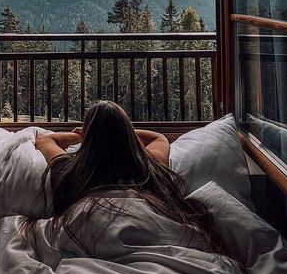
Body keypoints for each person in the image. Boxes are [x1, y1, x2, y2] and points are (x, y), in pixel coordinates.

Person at [31, 100, 222, 254]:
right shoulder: (150, 166)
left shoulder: (71, 169)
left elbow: (45, 141)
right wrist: (122, 131)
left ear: (89, 137)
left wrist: (84, 135)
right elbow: (158, 138)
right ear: (127, 133)